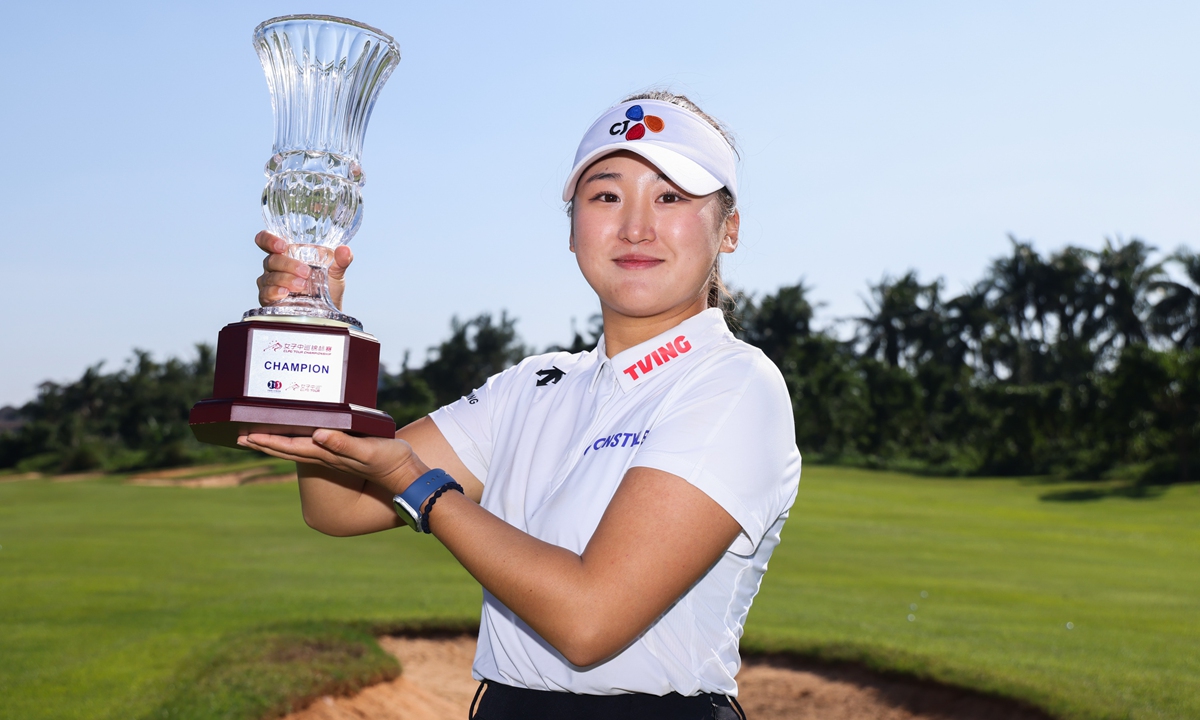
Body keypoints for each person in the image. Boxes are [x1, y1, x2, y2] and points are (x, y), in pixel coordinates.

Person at [243, 91, 802, 720]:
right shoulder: (535, 383)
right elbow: (336, 504)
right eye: (606, 196)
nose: (635, 227)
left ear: (728, 229)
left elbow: (590, 621)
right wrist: (314, 330)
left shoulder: (733, 383)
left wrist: (419, 487)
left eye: (670, 197)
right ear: (571, 229)